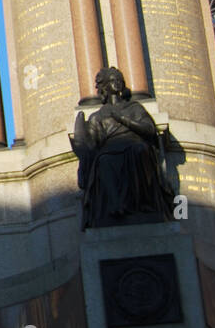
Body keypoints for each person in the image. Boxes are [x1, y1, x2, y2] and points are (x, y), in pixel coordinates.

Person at [72, 67, 173, 229]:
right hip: (109, 149)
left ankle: (142, 205)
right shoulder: (97, 117)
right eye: (113, 80)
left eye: (119, 79)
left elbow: (149, 129)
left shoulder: (134, 108)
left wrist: (125, 120)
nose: (117, 83)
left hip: (135, 143)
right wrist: (80, 134)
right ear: (104, 86)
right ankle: (116, 206)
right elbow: (91, 146)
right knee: (104, 161)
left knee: (139, 150)